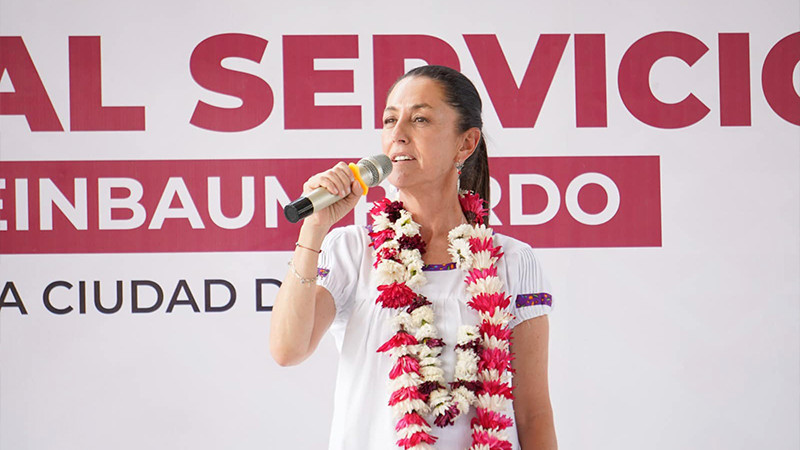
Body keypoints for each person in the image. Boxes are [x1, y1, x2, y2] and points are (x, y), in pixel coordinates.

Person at [270, 65, 556, 450]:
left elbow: (532, 414)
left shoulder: (511, 261)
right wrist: (314, 229)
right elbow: (288, 350)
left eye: (419, 118)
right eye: (390, 120)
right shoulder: (353, 250)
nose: (398, 135)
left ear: (466, 144)